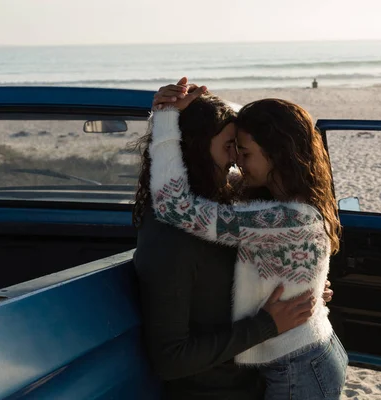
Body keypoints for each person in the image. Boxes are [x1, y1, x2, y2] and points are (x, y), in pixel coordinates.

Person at [133, 79, 334, 400]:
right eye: (231, 147)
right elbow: (174, 196)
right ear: (197, 146)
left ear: (275, 156)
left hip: (291, 366)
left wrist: (166, 119)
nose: (236, 161)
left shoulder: (265, 213)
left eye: (243, 151)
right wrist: (167, 117)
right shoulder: (192, 226)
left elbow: (174, 199)